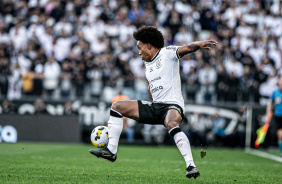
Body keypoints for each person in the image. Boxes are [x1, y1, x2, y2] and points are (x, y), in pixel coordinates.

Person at [89, 26, 217, 179]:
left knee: (171, 123)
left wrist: (198, 44)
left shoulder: (167, 53)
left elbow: (187, 48)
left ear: (148, 45)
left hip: (172, 105)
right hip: (156, 106)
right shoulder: (148, 65)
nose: (138, 52)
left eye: (140, 47)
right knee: (117, 107)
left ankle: (191, 166)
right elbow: (153, 88)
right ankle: (111, 151)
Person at [266, 75, 282, 158]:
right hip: (278, 116)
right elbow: (270, 103)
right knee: (280, 135)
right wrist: (268, 113)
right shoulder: (275, 92)